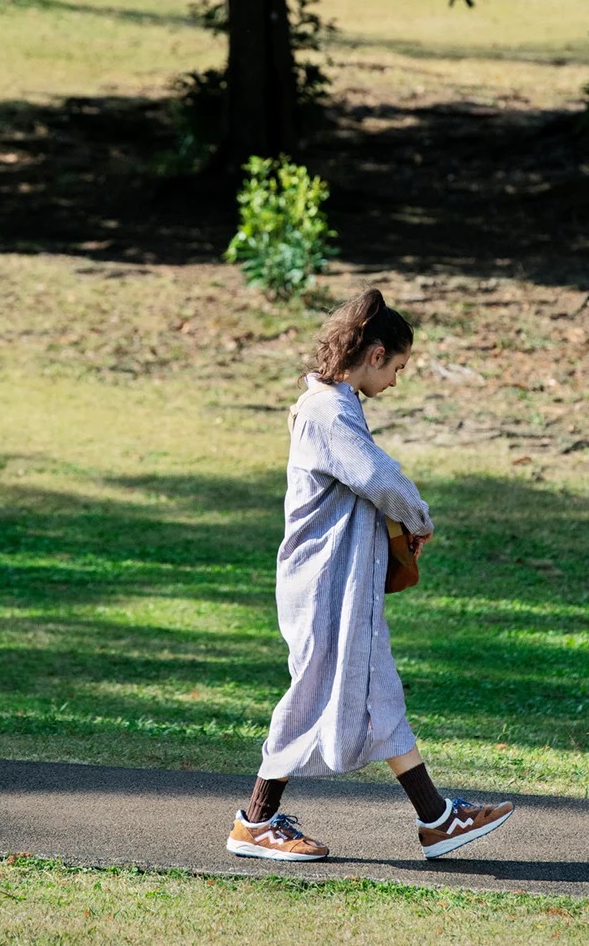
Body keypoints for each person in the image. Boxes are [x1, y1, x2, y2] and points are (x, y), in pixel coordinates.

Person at [226, 288, 514, 862]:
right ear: (375, 353)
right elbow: (378, 477)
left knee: (379, 690)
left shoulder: (335, 403)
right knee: (311, 693)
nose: (396, 381)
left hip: (343, 583)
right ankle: (255, 822)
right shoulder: (327, 411)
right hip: (323, 583)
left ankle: (436, 819)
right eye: (397, 368)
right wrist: (419, 517)